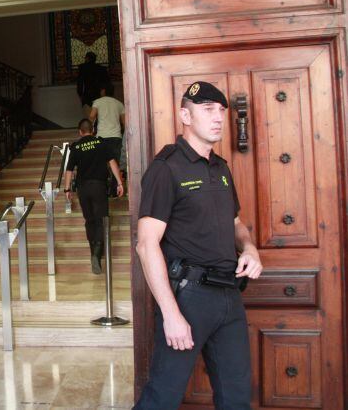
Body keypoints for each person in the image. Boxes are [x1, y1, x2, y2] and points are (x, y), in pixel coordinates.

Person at [134, 81, 263, 409]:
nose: (218, 117)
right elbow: (147, 245)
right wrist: (171, 314)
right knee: (162, 397)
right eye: (208, 109)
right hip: (189, 298)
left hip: (229, 296)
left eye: (221, 110)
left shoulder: (221, 168)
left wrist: (249, 248)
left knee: (236, 398)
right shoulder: (167, 168)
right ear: (185, 116)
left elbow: (235, 224)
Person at [62, 119, 124, 274]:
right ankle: (97, 254)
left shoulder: (76, 146)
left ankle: (93, 252)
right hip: (98, 186)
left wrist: (67, 189)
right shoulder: (101, 143)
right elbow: (112, 163)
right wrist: (120, 183)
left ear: (80, 132)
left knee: (89, 220)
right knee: (101, 219)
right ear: (93, 130)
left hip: (83, 188)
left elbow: (69, 170)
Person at [89, 83, 125, 172]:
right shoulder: (119, 104)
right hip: (116, 137)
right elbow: (125, 123)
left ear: (103, 91)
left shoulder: (97, 102)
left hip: (102, 137)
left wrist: (91, 130)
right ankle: (115, 184)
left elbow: (92, 116)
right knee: (115, 164)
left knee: (101, 162)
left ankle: (104, 184)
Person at [76, 52, 110, 118]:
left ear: (87, 58)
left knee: (89, 119)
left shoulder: (83, 68)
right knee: (100, 118)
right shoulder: (101, 69)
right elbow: (107, 83)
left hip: (87, 97)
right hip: (99, 97)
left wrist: (80, 95)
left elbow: (80, 83)